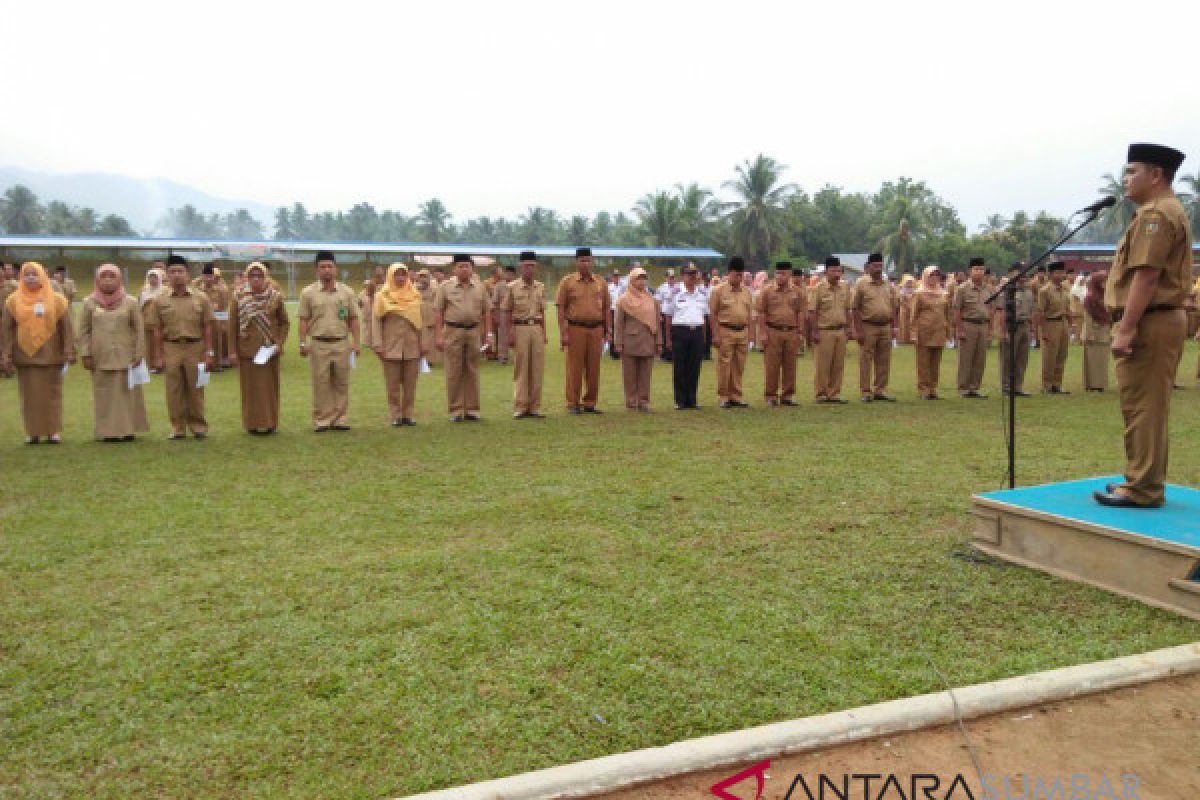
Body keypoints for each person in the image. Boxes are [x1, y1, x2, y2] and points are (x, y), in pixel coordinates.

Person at [1094, 143, 1192, 509]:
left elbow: (1147, 277)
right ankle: (1141, 478)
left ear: (1155, 175)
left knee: (1144, 406)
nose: (1125, 179)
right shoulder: (1161, 211)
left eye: (1132, 171)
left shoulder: (1156, 216)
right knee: (1144, 404)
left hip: (1150, 321)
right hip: (1155, 320)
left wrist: (1126, 329)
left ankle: (1143, 488)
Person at [1, 262, 75, 443]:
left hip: (52, 354)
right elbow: (7, 330)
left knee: (52, 395)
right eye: (27, 274)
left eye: (35, 274)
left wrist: (68, 349)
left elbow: (66, 327)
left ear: (43, 275)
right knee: (30, 396)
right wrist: (6, 353)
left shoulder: (57, 299)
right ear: (21, 277)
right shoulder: (12, 300)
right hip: (25, 355)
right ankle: (33, 432)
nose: (31, 278)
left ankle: (53, 431)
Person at [146, 255, 216, 438]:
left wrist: (210, 352)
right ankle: (177, 428)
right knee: (173, 390)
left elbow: (208, 326)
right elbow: (157, 330)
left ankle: (198, 426)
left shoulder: (201, 298)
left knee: (196, 389)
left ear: (188, 275)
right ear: (167, 275)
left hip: (196, 346)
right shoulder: (159, 300)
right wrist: (157, 356)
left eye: (180, 271)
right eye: (172, 271)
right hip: (171, 347)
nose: (177, 275)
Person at [78, 264, 149, 442]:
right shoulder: (89, 302)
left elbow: (139, 329)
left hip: (126, 355)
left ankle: (127, 429)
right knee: (104, 393)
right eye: (104, 276)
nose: (108, 280)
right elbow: (84, 330)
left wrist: (139, 353)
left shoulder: (130, 301)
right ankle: (107, 431)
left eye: (112, 276)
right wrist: (85, 353)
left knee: (127, 393)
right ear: (97, 280)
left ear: (119, 279)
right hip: (99, 356)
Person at [297, 250, 360, 432]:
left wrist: (356, 342)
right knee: (321, 382)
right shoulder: (308, 293)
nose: (326, 270)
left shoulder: (347, 292)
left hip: (341, 343)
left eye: (330, 266)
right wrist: (302, 343)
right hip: (318, 343)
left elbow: (353, 319)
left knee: (341, 382)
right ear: (316, 270)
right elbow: (303, 319)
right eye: (322, 267)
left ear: (336, 269)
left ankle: (340, 418)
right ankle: (322, 420)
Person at [228, 261, 289, 434]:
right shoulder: (238, 297)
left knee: (270, 389)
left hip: (269, 350)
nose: (256, 279)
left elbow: (284, 322)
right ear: (247, 278)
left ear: (266, 277)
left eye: (259, 275)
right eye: (252, 275)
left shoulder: (275, 297)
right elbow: (232, 325)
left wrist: (279, 343)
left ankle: (271, 423)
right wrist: (232, 351)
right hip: (247, 350)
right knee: (250, 389)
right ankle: (252, 424)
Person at [434, 254, 492, 422]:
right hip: (453, 331)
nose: (464, 269)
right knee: (454, 371)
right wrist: (438, 335)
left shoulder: (480, 287)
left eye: (467, 265)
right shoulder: (445, 287)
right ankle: (456, 410)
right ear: (454, 269)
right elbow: (438, 312)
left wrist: (488, 335)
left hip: (473, 332)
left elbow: (487, 312)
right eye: (460, 266)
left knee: (472, 371)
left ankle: (472, 409)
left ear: (472, 268)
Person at [556, 247, 611, 413]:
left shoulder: (600, 282)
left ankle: (590, 403)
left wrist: (607, 331)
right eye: (582, 260)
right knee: (574, 368)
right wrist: (563, 333)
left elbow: (607, 308)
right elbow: (560, 308)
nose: (585, 264)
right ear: (576, 262)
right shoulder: (568, 282)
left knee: (594, 368)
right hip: (575, 329)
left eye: (588, 260)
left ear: (592, 261)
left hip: (596, 329)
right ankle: (573, 403)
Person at [372, 263, 425, 427]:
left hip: (412, 346)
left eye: (403, 274)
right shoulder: (382, 296)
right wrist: (378, 344)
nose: (400, 278)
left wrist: (423, 344)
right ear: (390, 276)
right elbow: (376, 322)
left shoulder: (415, 295)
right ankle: (395, 415)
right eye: (397, 274)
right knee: (392, 384)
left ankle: (408, 414)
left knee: (410, 383)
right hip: (390, 346)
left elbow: (421, 322)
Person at [503, 251, 547, 418]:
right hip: (520, 328)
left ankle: (535, 407)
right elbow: (506, 311)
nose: (530, 269)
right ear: (521, 267)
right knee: (521, 368)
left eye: (533, 266)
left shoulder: (540, 287)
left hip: (536, 328)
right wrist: (510, 333)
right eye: (527, 266)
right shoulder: (512, 287)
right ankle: (521, 406)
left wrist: (544, 333)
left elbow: (542, 312)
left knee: (537, 368)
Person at [850, 253, 899, 402]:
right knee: (866, 359)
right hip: (868, 326)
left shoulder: (887, 284)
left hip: (885, 326)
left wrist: (894, 327)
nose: (878, 268)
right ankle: (865, 391)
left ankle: (880, 390)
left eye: (880, 265)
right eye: (875, 266)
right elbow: (855, 308)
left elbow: (894, 306)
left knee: (884, 359)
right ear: (868, 267)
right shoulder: (861, 283)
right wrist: (858, 330)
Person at [756, 261, 806, 406]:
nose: (779, 276)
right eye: (777, 273)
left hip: (791, 331)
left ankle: (787, 396)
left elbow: (801, 313)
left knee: (790, 365)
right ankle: (771, 396)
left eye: (783, 273)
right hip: (773, 331)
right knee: (772, 366)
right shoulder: (767, 291)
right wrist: (763, 333)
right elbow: (761, 313)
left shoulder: (797, 292)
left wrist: (800, 332)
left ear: (789, 275)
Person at [613, 266, 661, 411]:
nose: (642, 281)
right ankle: (631, 401)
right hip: (630, 341)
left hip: (647, 340)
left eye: (644, 278)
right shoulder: (623, 300)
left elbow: (657, 322)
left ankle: (643, 401)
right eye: (639, 278)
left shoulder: (652, 300)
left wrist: (659, 342)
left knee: (646, 373)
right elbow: (619, 323)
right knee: (629, 374)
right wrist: (618, 342)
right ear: (632, 280)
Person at [708, 257, 752, 408]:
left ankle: (736, 396)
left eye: (741, 275)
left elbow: (749, 314)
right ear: (728, 274)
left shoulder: (747, 292)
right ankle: (723, 396)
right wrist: (715, 335)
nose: (739, 278)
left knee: (739, 365)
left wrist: (750, 335)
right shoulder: (718, 291)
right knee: (724, 365)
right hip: (725, 330)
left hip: (742, 332)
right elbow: (712, 314)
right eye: (736, 274)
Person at [808, 256, 852, 404]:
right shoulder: (818, 288)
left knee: (838, 364)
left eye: (839, 270)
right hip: (824, 331)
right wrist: (814, 331)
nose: (837, 273)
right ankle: (821, 393)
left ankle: (834, 393)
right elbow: (812, 312)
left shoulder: (845, 287)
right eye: (833, 270)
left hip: (840, 330)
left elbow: (847, 309)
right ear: (826, 272)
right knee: (822, 365)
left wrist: (848, 329)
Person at [664, 264, 708, 410]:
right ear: (682, 276)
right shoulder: (675, 293)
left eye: (694, 274)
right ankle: (680, 400)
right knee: (680, 367)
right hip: (680, 331)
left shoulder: (702, 293)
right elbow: (668, 316)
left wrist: (704, 337)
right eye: (689, 274)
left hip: (696, 332)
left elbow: (705, 316)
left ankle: (692, 399)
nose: (692, 277)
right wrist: (668, 338)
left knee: (694, 366)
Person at [953, 257, 992, 398]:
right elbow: (957, 310)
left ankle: (974, 387)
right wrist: (960, 329)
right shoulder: (962, 289)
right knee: (966, 358)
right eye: (976, 269)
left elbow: (991, 309)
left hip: (983, 325)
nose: (979, 272)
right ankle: (963, 388)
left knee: (980, 358)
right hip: (968, 324)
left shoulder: (988, 288)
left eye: (982, 269)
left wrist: (990, 330)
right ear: (970, 271)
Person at [911, 265, 951, 400]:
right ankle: (923, 389)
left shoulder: (944, 293)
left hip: (939, 331)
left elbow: (947, 314)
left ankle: (933, 389)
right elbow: (913, 315)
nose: (934, 278)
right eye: (931, 275)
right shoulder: (919, 293)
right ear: (925, 276)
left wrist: (948, 331)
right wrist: (913, 333)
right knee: (923, 362)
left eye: (936, 275)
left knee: (935, 362)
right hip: (924, 332)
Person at [994, 263, 1034, 396]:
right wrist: (1003, 331)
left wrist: (1032, 329)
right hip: (1011, 326)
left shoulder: (1028, 291)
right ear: (1011, 273)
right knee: (1008, 358)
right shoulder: (1006, 290)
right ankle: (1006, 386)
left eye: (1025, 273)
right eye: (1019, 272)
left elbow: (1032, 311)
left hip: (1025, 326)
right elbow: (1001, 312)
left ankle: (1018, 386)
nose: (1023, 276)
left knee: (1022, 358)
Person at [1036, 261, 1072, 394]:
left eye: (1062, 272)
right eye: (1057, 272)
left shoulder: (1065, 289)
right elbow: (1040, 312)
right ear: (1050, 274)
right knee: (1049, 357)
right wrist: (1043, 331)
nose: (1060, 275)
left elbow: (1068, 310)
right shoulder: (1044, 291)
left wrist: (1070, 325)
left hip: (1063, 324)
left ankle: (1057, 384)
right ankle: (1047, 385)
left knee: (1062, 355)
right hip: (1050, 323)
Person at [195, 264, 232, 370]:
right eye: (206, 276)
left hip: (216, 321)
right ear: (202, 277)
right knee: (201, 342)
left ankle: (216, 364)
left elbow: (224, 307)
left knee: (216, 342)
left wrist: (223, 323)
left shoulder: (221, 290)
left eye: (210, 276)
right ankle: (201, 364)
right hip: (200, 321)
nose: (208, 279)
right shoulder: (197, 289)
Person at [1081, 270, 1111, 392]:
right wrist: (1090, 333)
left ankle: (1100, 383)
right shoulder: (1090, 298)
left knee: (1102, 359)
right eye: (1103, 281)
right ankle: (1092, 384)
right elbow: (1088, 318)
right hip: (1094, 331)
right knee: (1092, 359)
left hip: (1104, 330)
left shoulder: (1106, 295)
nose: (1105, 284)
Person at [139, 266, 166, 373]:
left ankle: (160, 365)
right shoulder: (144, 290)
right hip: (146, 321)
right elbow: (140, 305)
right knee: (147, 344)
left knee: (159, 343)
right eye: (151, 277)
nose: (152, 280)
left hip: (159, 321)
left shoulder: (164, 290)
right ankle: (149, 365)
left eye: (155, 277)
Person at [414, 268, 441, 366]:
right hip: (418, 313)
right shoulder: (414, 288)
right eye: (421, 276)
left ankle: (429, 360)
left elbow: (437, 302)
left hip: (430, 314)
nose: (423, 279)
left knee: (430, 337)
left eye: (425, 276)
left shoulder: (434, 288)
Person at [488, 265, 513, 364]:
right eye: (507, 274)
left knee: (517, 334)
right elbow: (494, 302)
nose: (509, 276)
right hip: (503, 312)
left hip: (516, 313)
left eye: (511, 274)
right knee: (502, 335)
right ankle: (502, 357)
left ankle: (518, 356)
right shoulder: (499, 285)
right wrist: (496, 316)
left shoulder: (517, 284)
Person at [655, 268, 679, 361]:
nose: (671, 279)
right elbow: (658, 302)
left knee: (675, 334)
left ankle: (674, 354)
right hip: (665, 313)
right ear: (666, 278)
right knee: (665, 334)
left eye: (673, 277)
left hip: (676, 314)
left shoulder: (678, 287)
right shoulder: (661, 288)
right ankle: (665, 355)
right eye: (670, 277)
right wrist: (659, 315)